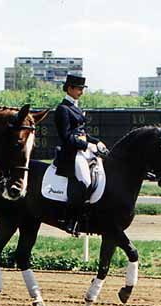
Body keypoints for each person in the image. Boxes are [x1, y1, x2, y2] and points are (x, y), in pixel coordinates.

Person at [53, 74, 108, 236]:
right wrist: (86, 144)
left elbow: (81, 132)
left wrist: (96, 141)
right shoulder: (62, 109)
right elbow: (67, 137)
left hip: (82, 150)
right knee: (85, 180)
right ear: (69, 88)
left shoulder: (75, 107)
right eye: (79, 89)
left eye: (82, 89)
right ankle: (72, 219)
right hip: (71, 153)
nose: (81, 92)